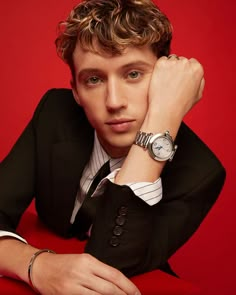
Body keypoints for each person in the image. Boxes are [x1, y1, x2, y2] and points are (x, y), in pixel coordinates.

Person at [0, 0, 226, 294]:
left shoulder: (201, 172)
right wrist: (35, 265)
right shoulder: (54, 113)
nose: (114, 101)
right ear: (76, 92)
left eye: (133, 74)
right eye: (94, 79)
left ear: (163, 79)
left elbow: (106, 271)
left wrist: (160, 124)